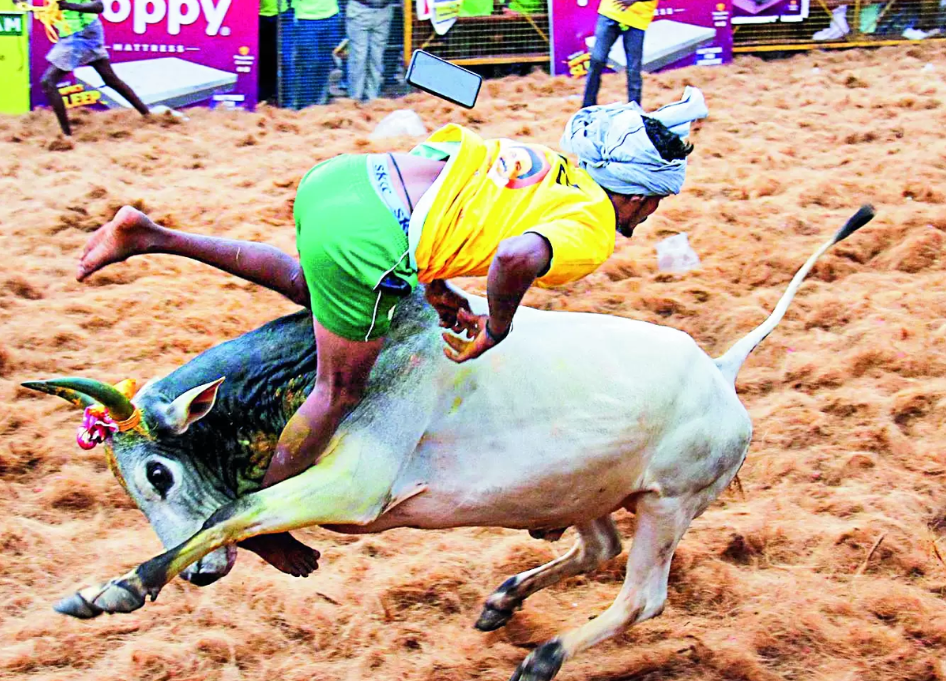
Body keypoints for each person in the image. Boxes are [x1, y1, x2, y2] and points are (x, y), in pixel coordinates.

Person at [74, 88, 707, 564]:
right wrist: (497, 326)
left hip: (341, 183)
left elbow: (448, 179)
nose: (652, 214)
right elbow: (516, 257)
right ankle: (264, 525)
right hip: (373, 243)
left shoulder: (544, 162)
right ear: (637, 194)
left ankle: (149, 234)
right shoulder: (593, 226)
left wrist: (433, 288)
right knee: (337, 391)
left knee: (310, 284)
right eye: (657, 201)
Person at [13, 0, 152, 137]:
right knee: (109, 79)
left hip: (82, 32)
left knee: (48, 81)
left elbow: (98, 5)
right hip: (73, 32)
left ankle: (66, 136)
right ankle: (148, 116)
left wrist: (70, 6)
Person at [559, 0, 677, 108]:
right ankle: (587, 106)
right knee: (597, 59)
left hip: (637, 19)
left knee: (633, 68)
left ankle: (634, 110)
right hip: (611, 11)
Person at [344, 0, 398, 102]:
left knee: (377, 57)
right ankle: (354, 99)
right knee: (358, 57)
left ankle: (372, 99)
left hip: (384, 10)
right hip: (360, 8)